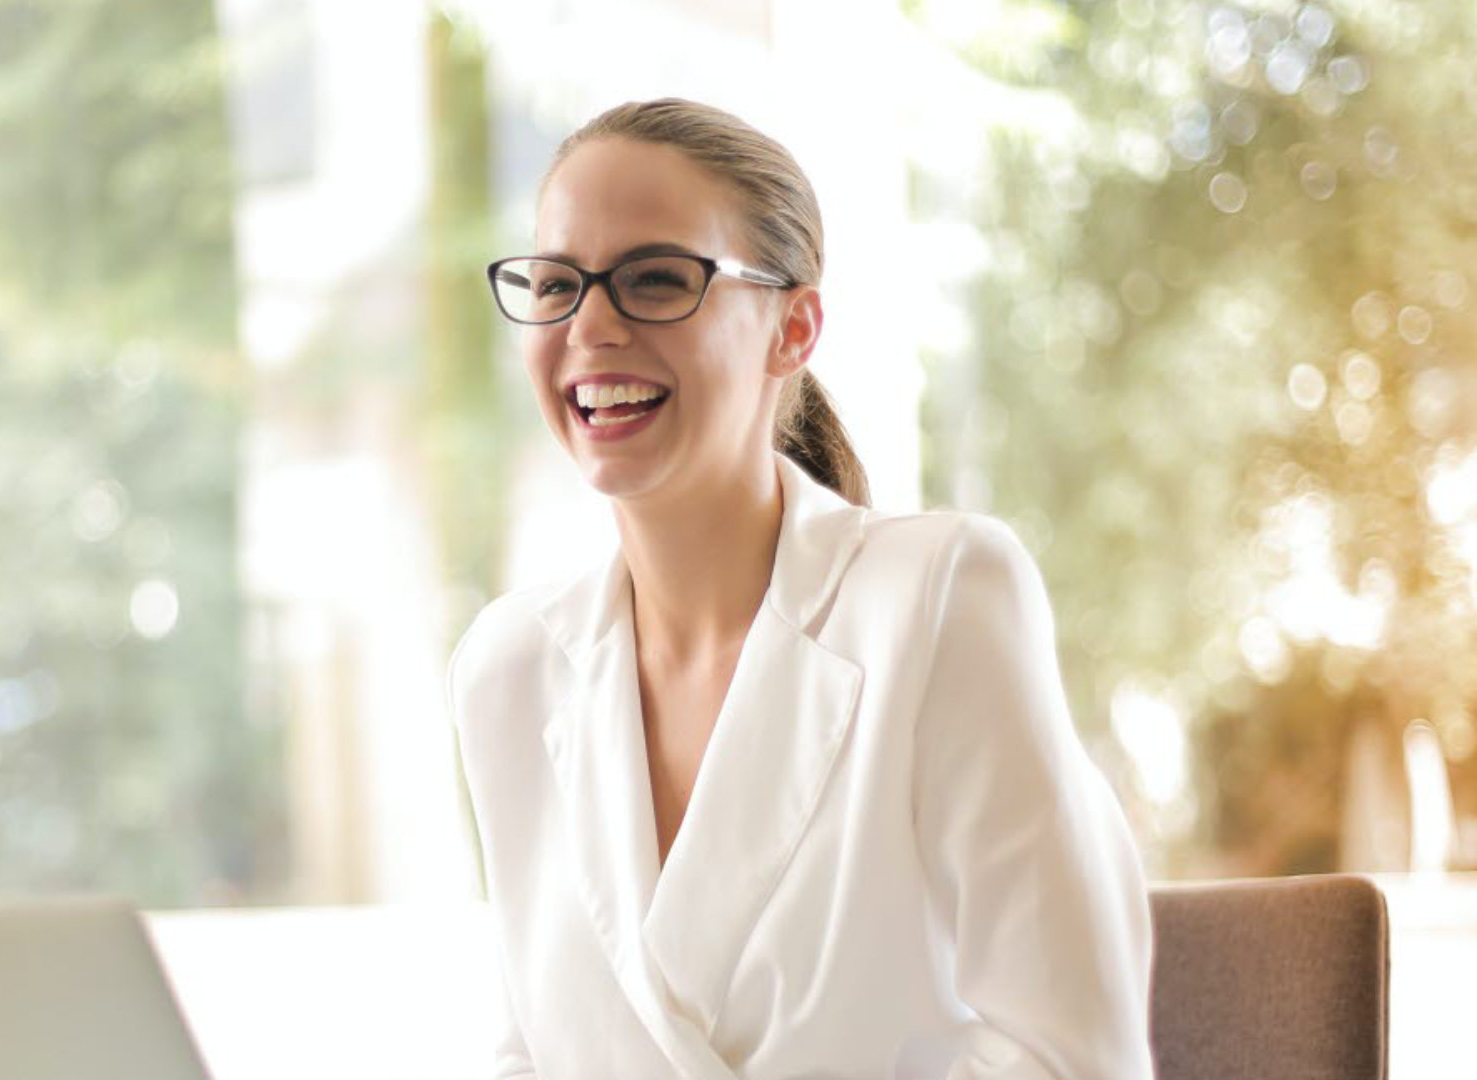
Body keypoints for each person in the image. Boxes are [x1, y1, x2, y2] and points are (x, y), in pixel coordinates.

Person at [447, 97, 1154, 1080]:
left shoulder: (940, 599)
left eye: (656, 279)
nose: (590, 325)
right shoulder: (507, 666)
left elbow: (1070, 1058)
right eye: (557, 284)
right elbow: (529, 1052)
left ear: (794, 327)